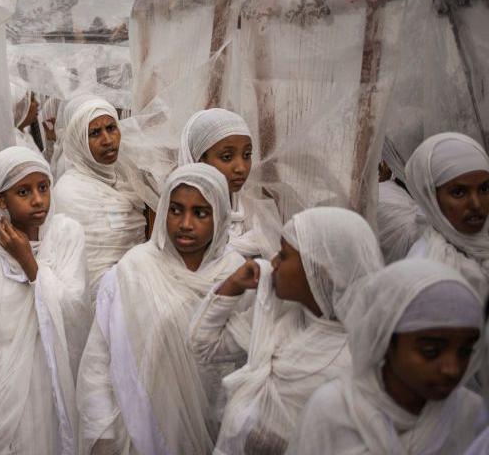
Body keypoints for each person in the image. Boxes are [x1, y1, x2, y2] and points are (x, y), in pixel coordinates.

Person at [77, 163, 244, 454]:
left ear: (220, 215)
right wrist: (102, 432)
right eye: (176, 210)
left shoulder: (236, 275)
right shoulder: (133, 270)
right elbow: (99, 360)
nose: (185, 224)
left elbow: (247, 363)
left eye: (200, 213)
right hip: (140, 431)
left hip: (216, 432)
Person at [188, 206, 383, 454]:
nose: (273, 262)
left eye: (284, 255)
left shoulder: (356, 361)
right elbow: (203, 344)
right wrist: (232, 285)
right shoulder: (282, 316)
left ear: (318, 270)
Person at [0, 146, 88, 455]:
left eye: (43, 187)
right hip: (6, 386)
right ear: (0, 199)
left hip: (56, 374)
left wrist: (29, 262)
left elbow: (75, 311)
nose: (38, 199)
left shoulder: (67, 235)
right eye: (24, 191)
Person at [290, 258, 486, 454]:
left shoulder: (469, 414)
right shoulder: (333, 411)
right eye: (430, 352)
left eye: (465, 351)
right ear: (386, 342)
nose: (452, 368)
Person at [53, 95, 148, 299]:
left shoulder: (128, 176)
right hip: (101, 300)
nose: (107, 140)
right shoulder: (70, 192)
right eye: (94, 133)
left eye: (111, 128)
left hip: (142, 288)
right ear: (79, 140)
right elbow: (88, 266)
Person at [179, 107, 279, 259]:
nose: (241, 167)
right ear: (199, 161)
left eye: (247, 155)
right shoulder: (179, 221)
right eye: (226, 157)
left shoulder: (250, 212)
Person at [404, 133, 489, 299]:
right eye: (459, 192)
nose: (476, 204)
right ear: (431, 198)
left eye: (484, 189)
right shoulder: (426, 267)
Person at [11, 84, 41, 153]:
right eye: (32, 99)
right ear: (19, 107)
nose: (37, 103)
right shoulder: (15, 144)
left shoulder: (25, 135)